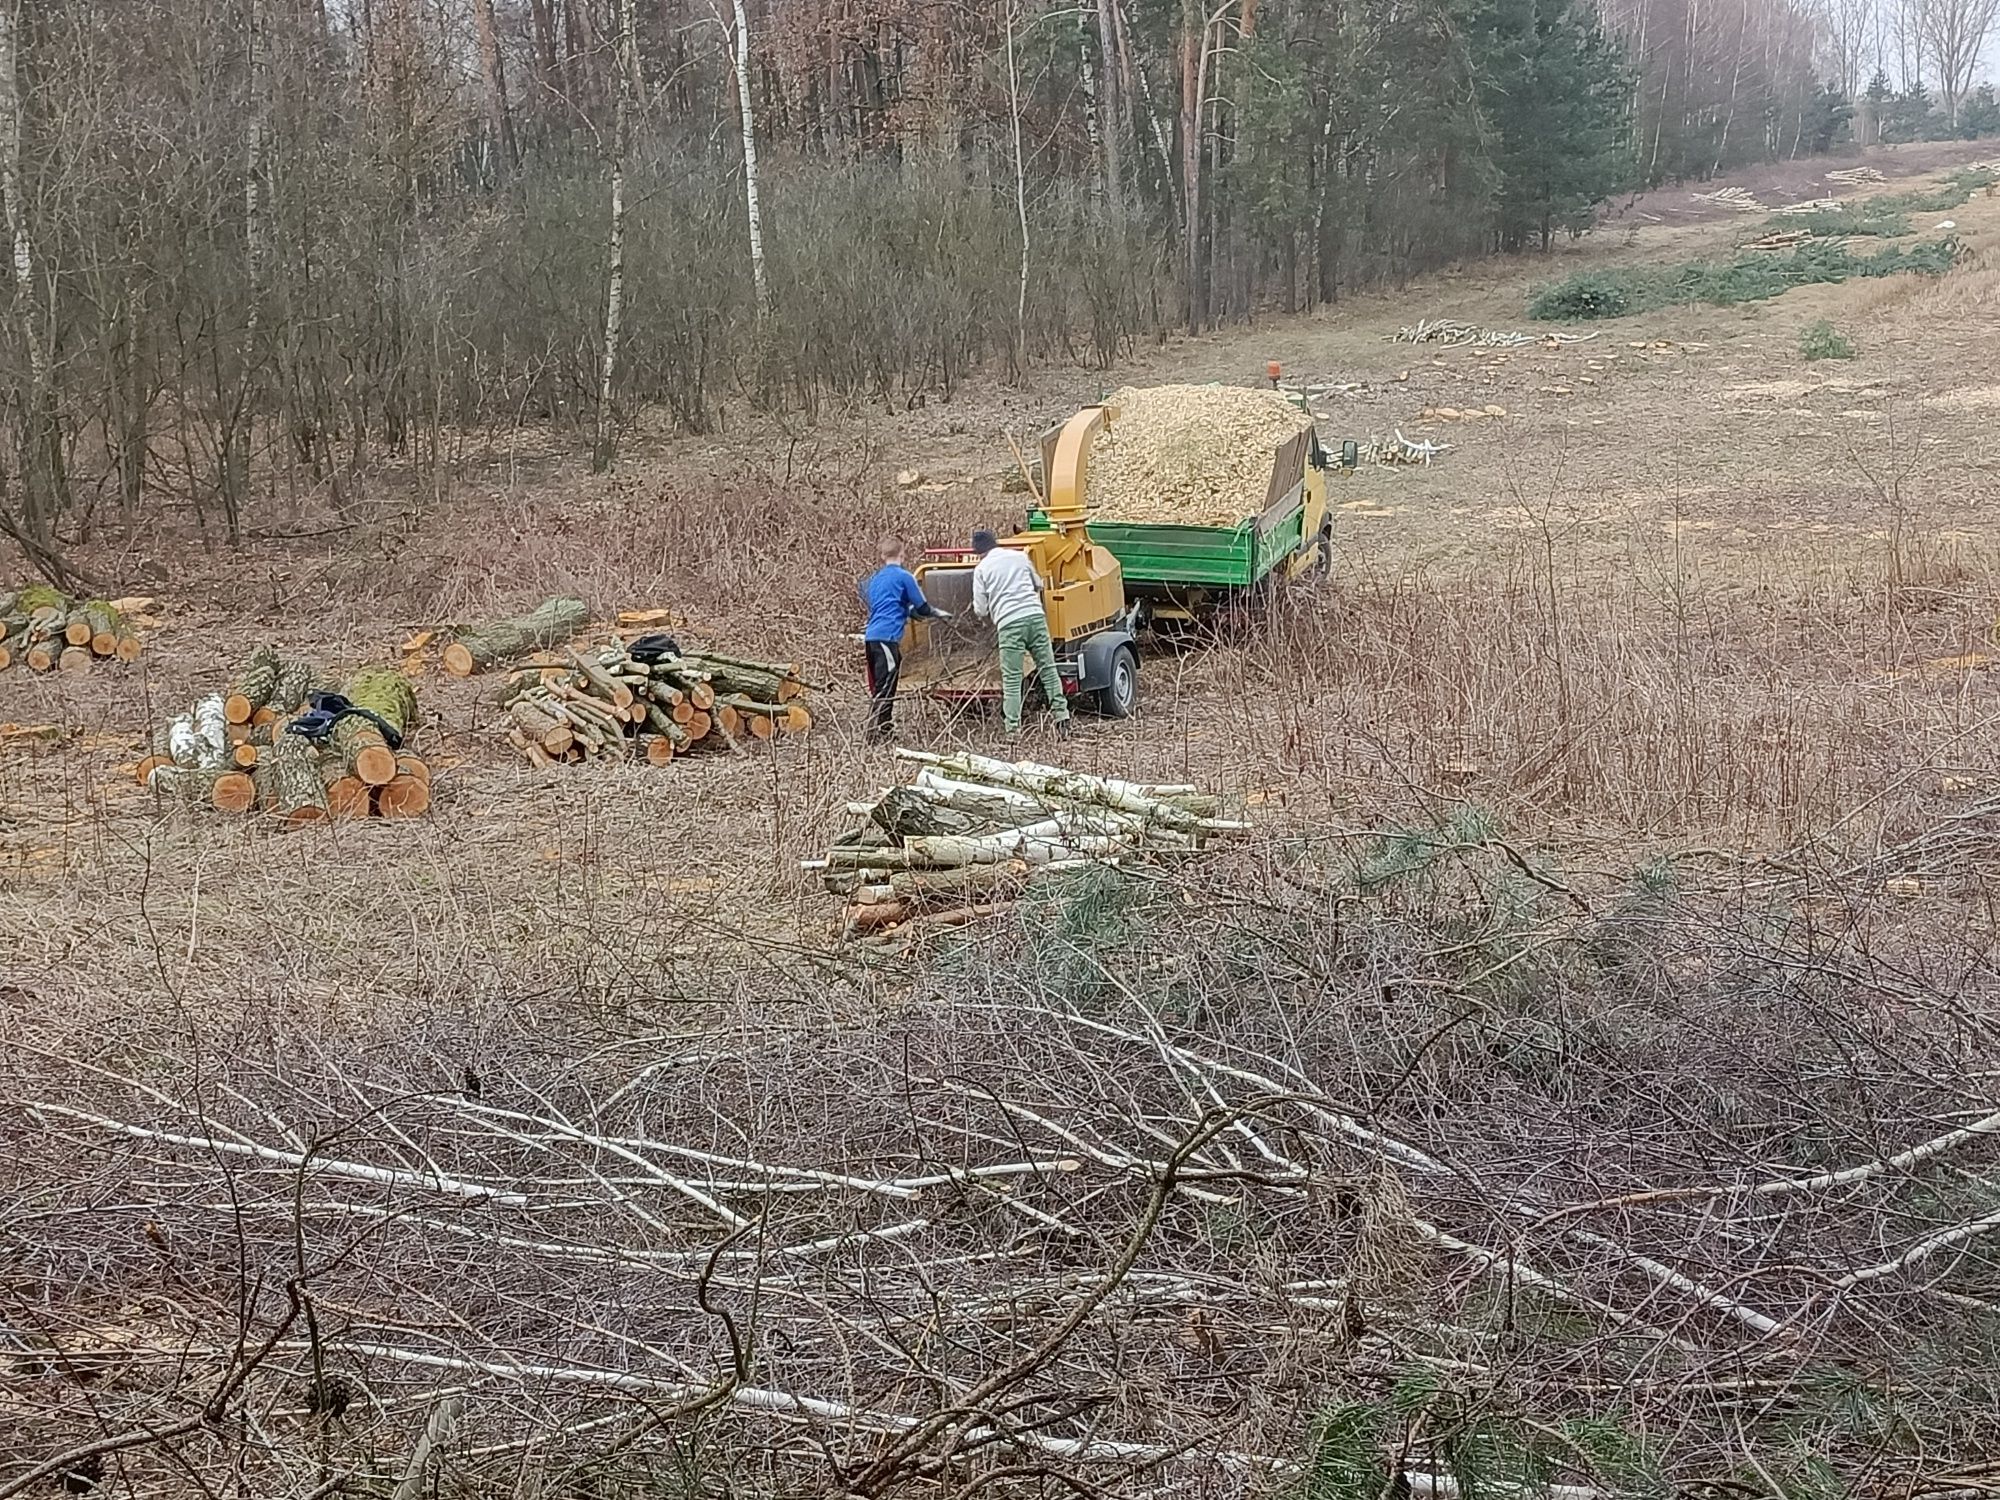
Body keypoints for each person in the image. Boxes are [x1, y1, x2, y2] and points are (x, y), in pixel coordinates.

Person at [970, 529, 1071, 739]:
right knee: (1048, 669)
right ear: (995, 543)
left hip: (1009, 625)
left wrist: (987, 616)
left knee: (1012, 679)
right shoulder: (1020, 556)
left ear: (978, 552)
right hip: (1035, 618)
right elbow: (1039, 584)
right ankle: (1062, 718)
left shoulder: (981, 569)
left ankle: (1013, 731)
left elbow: (981, 609)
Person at [859, 535, 948, 744]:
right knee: (886, 686)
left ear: (882, 555)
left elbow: (867, 594)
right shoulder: (904, 577)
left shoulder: (874, 579)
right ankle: (876, 734)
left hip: (871, 637)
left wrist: (903, 608)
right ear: (902, 553)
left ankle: (883, 729)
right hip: (887, 637)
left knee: (879, 684)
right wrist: (939, 614)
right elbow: (922, 607)